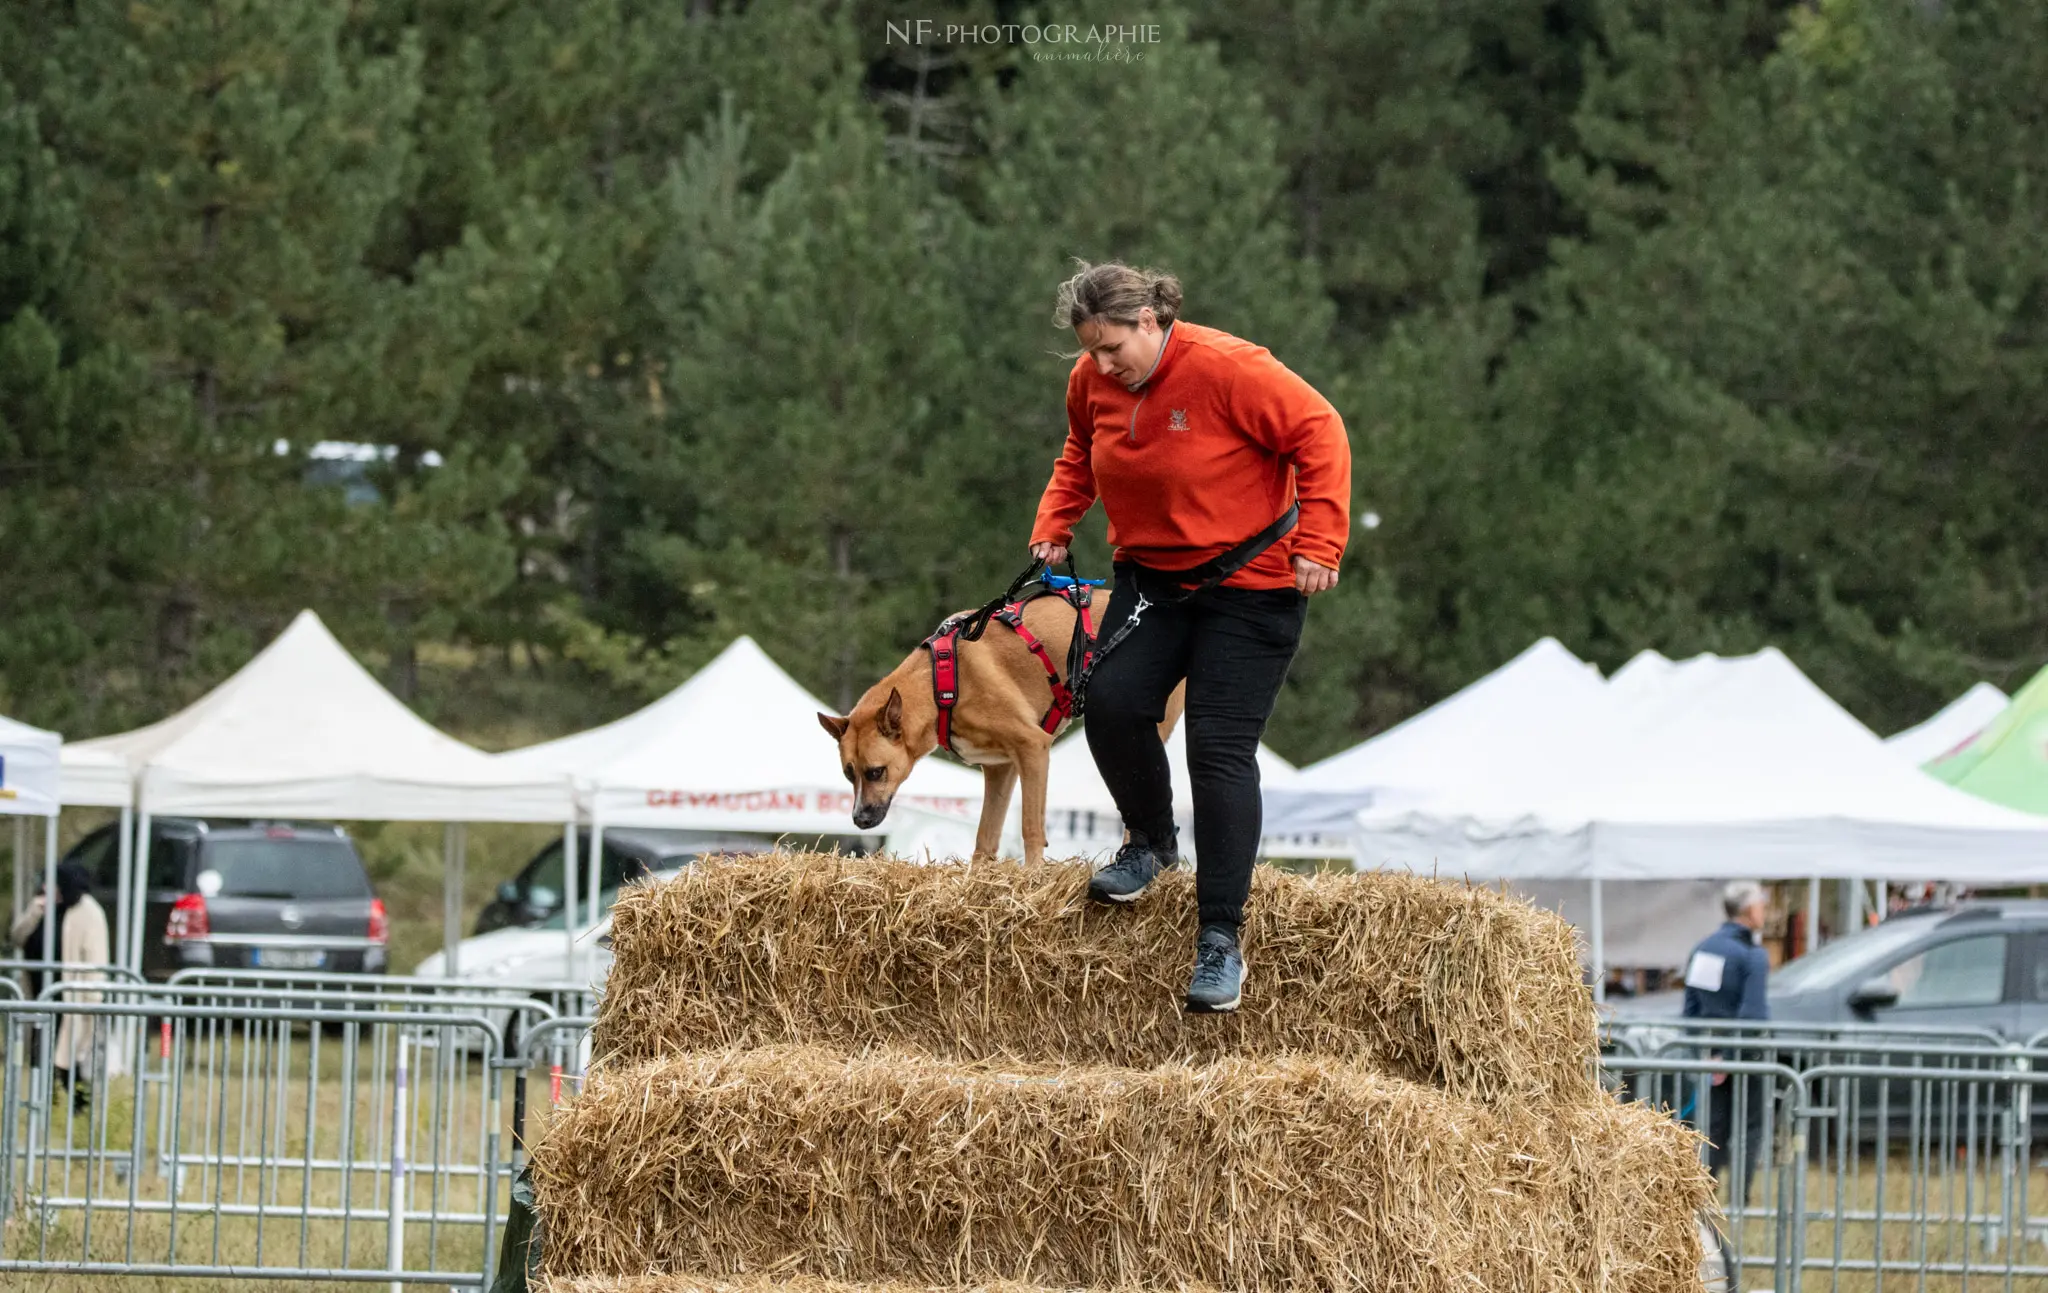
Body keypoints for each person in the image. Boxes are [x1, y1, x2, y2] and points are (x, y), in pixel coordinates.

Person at [1028, 260, 1350, 1013]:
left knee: (1216, 746)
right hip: (1154, 581)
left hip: (1254, 587)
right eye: (1091, 352)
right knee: (1109, 700)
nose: (1102, 366)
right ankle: (1150, 843)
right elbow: (1079, 453)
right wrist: (1055, 521)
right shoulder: (1091, 381)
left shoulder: (1229, 368)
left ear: (1150, 320)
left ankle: (1220, 939)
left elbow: (1321, 432)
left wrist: (1322, 542)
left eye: (1112, 349)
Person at [1682, 879, 1773, 1202]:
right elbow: (1752, 1016)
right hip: (1746, 1055)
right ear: (1749, 910)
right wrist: (1732, 1056)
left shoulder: (1704, 949)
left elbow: (1690, 1009)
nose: (1764, 909)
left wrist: (1707, 1055)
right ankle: (1740, 1200)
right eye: (1761, 904)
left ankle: (1703, 1194)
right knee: (1750, 1128)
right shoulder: (1753, 956)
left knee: (1712, 1128)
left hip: (1712, 1056)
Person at [8, 859, 109, 1112]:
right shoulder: (40, 905)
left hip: (72, 995)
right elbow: (17, 937)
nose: (46, 888)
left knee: (69, 1055)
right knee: (41, 1050)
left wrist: (93, 998)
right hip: (40, 991)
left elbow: (96, 959)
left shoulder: (88, 912)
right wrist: (35, 912)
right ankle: (44, 1103)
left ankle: (78, 1107)